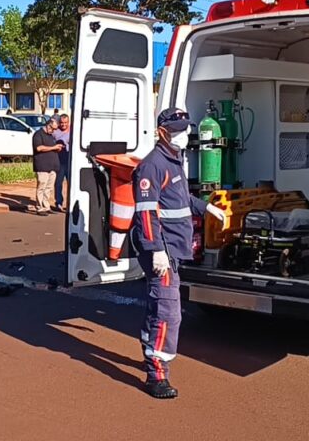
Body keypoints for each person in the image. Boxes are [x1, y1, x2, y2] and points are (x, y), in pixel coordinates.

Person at [129, 108, 226, 399]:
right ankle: (157, 374)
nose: (184, 135)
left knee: (158, 306)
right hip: (162, 248)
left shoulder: (174, 160)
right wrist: (155, 249)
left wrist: (206, 207)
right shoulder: (153, 166)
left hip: (172, 247)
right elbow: (146, 215)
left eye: (186, 129)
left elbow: (181, 199)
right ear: (162, 132)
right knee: (168, 312)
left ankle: (150, 350)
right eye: (178, 130)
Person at [31, 117, 63, 215]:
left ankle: (46, 206)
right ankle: (40, 207)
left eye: (55, 129)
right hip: (42, 166)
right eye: (52, 128)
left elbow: (50, 148)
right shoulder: (38, 134)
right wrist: (53, 147)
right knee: (42, 186)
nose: (53, 131)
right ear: (48, 124)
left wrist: (57, 148)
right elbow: (39, 148)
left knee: (49, 188)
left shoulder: (51, 136)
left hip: (52, 166)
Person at [52, 114, 71, 212]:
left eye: (65, 123)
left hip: (69, 160)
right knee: (58, 183)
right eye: (62, 123)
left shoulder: (73, 131)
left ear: (68, 122)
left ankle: (70, 204)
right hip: (59, 160)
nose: (63, 125)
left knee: (71, 184)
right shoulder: (55, 132)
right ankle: (58, 203)